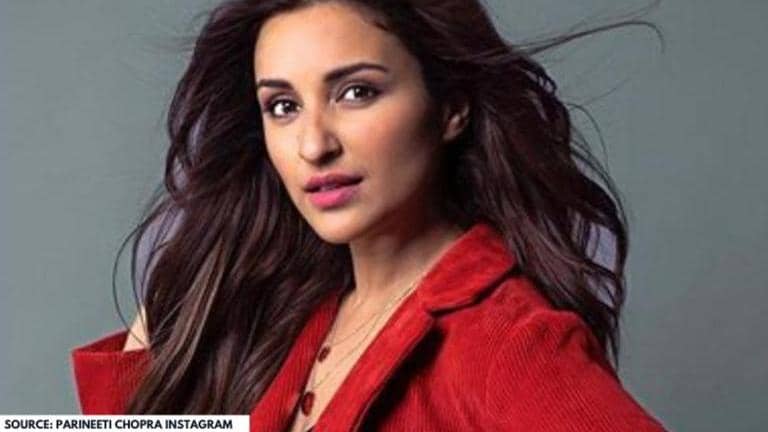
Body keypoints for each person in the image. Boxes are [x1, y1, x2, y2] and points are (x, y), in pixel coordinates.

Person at [71, 0, 668, 430]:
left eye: (356, 92)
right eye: (282, 106)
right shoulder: (299, 313)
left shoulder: (505, 343)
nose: (313, 145)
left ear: (451, 107)